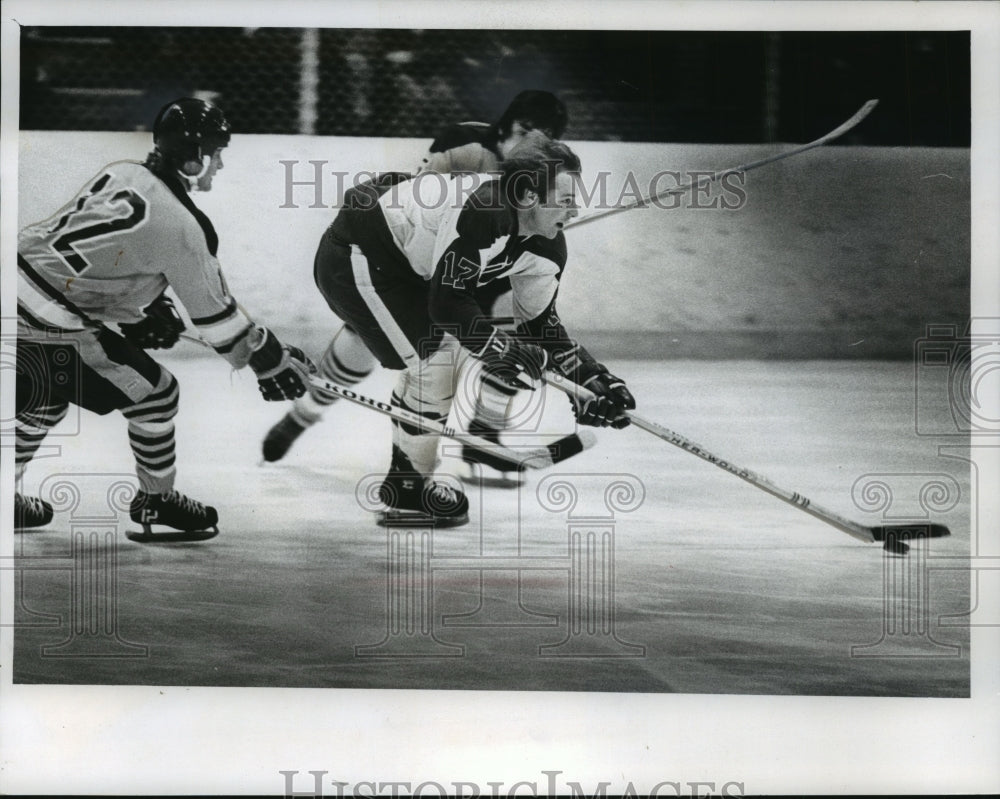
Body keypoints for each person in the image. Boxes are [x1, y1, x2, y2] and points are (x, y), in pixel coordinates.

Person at [15, 97, 313, 538]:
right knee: (157, 394)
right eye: (216, 154)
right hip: (48, 318)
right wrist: (271, 360)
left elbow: (93, 256)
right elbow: (220, 323)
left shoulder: (123, 172)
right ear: (194, 159)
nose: (219, 166)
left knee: (46, 393)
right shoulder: (184, 227)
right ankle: (156, 501)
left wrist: (141, 311)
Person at [298, 137, 634, 526]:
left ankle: (407, 483)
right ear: (526, 196)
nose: (576, 210)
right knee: (436, 360)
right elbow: (447, 304)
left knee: (437, 361)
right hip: (356, 253)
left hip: (408, 267)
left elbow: (541, 326)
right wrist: (502, 350)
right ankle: (407, 490)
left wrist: (592, 378)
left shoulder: (548, 247)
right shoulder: (486, 211)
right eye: (564, 199)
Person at [261, 90, 571, 481]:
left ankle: (484, 432)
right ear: (509, 125)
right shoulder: (463, 143)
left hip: (477, 267)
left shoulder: (541, 174)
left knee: (510, 319)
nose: (532, 148)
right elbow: (417, 198)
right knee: (365, 341)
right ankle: (304, 414)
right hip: (420, 265)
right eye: (527, 134)